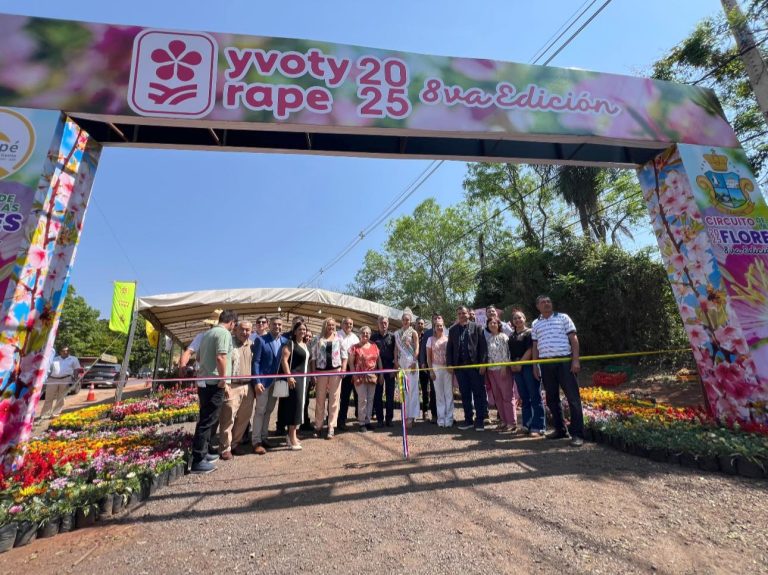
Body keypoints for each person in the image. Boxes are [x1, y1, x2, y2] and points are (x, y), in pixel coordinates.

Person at [531, 295, 584, 447]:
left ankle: (577, 434)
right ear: (538, 306)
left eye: (548, 301)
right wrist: (535, 365)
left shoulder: (563, 317)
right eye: (543, 302)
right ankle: (560, 430)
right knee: (552, 399)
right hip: (546, 364)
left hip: (564, 362)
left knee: (573, 399)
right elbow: (535, 346)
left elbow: (574, 339)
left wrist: (575, 360)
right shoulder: (535, 323)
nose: (547, 304)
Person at [191, 309, 237, 473]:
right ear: (232, 323)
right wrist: (223, 379)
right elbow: (221, 357)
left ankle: (203, 453)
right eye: (234, 325)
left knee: (206, 418)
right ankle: (198, 460)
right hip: (214, 383)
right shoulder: (224, 333)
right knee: (208, 421)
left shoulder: (207, 334)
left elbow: (198, 358)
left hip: (204, 381)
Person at [446, 305, 488, 431]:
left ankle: (479, 421)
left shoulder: (477, 327)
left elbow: (483, 347)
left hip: (475, 367)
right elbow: (449, 349)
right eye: (459, 313)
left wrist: (483, 364)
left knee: (478, 394)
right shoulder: (452, 330)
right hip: (460, 368)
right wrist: (449, 364)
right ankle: (468, 420)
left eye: (463, 313)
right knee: (465, 395)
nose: (461, 315)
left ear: (468, 314)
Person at [251, 317, 287, 455]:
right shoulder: (261, 340)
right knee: (260, 411)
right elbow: (256, 362)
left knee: (269, 410)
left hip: (277, 382)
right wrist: (257, 381)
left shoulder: (284, 341)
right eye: (274, 324)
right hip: (263, 382)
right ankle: (256, 441)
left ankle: (264, 437)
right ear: (269, 325)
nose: (277, 326)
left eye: (279, 324)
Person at [219, 320, 253, 460]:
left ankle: (235, 444)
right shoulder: (229, 344)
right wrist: (225, 383)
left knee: (244, 418)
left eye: (247, 330)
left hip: (248, 386)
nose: (244, 332)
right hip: (232, 385)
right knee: (228, 418)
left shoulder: (252, 345)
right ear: (236, 330)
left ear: (251, 331)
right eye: (242, 329)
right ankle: (225, 448)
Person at [509, 309, 545, 436]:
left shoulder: (530, 332)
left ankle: (538, 426)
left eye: (520, 317)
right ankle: (526, 425)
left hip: (529, 367)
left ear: (525, 319)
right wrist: (513, 364)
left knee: (535, 396)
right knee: (524, 397)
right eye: (515, 318)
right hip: (516, 368)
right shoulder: (511, 336)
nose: (517, 320)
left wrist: (520, 363)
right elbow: (509, 352)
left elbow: (531, 349)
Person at [311, 317, 348, 439]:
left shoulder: (339, 338)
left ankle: (331, 426)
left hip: (335, 371)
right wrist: (313, 373)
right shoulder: (317, 339)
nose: (331, 327)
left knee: (334, 399)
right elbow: (313, 357)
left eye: (333, 325)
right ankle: (318, 426)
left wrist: (343, 369)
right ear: (325, 325)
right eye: (329, 325)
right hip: (321, 371)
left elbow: (344, 355)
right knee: (320, 399)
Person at [276, 320, 310, 450]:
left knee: (300, 406)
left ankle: (292, 435)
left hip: (304, 379)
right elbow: (284, 360)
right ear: (295, 331)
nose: (302, 331)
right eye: (300, 329)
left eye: (304, 329)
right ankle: (291, 437)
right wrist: (289, 376)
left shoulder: (305, 344)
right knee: (294, 407)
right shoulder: (290, 344)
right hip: (294, 379)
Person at [481, 318, 517, 432]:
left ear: (499, 325)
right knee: (498, 397)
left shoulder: (503, 337)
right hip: (491, 371)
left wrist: (504, 367)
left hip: (502, 369)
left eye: (494, 323)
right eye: (490, 323)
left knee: (507, 396)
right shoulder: (489, 339)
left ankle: (511, 422)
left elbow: (507, 353)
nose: (492, 324)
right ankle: (503, 421)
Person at [349, 326, 382, 432]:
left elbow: (378, 360)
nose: (365, 334)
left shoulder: (374, 346)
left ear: (370, 334)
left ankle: (368, 421)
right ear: (360, 334)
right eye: (363, 332)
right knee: (363, 399)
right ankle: (362, 422)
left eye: (367, 333)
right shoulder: (354, 347)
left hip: (372, 376)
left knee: (370, 399)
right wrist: (354, 375)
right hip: (359, 377)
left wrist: (381, 374)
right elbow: (351, 362)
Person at [41, 346, 82, 419]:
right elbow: (48, 369)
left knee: (61, 398)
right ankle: (45, 414)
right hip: (52, 379)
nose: (65, 352)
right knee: (49, 397)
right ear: (60, 352)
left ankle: (56, 413)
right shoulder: (54, 359)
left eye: (67, 351)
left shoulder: (73, 359)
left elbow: (76, 369)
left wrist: (75, 379)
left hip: (65, 379)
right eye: (63, 351)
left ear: (69, 352)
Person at [395, 311, 420, 429]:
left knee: (413, 390)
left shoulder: (413, 332)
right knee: (403, 389)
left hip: (411, 362)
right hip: (402, 363)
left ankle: (412, 416)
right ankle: (405, 415)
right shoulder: (397, 333)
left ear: (410, 321)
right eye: (404, 319)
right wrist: (396, 362)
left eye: (408, 320)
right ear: (402, 321)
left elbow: (417, 347)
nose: (406, 321)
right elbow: (396, 349)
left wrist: (414, 361)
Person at [426, 318, 453, 427]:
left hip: (447, 369)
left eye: (441, 325)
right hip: (436, 368)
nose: (439, 327)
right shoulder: (430, 339)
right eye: (437, 326)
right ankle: (441, 419)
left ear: (443, 326)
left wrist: (450, 366)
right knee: (439, 395)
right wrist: (431, 371)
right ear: (434, 327)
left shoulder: (448, 339)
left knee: (448, 393)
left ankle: (449, 419)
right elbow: (428, 357)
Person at [371, 316, 396, 428]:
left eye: (385, 322)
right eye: (381, 322)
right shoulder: (373, 337)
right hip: (377, 369)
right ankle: (380, 419)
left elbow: (396, 353)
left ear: (388, 323)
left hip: (390, 368)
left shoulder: (393, 337)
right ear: (378, 323)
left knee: (390, 395)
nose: (383, 324)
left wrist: (394, 368)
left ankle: (389, 419)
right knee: (378, 395)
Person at [336, 317, 360, 432]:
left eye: (351, 324)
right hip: (340, 369)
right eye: (346, 323)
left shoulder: (355, 337)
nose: (348, 325)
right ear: (342, 324)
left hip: (353, 369)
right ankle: (339, 420)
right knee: (342, 396)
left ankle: (358, 417)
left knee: (356, 394)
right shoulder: (337, 335)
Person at [415, 317, 436, 422]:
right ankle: (413, 413)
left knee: (426, 390)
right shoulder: (411, 335)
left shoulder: (426, 335)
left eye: (422, 323)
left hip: (425, 366)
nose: (420, 325)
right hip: (413, 366)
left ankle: (425, 411)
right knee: (413, 390)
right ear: (415, 324)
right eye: (418, 323)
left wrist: (423, 363)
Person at [300, 328, 315, 431]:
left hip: (308, 378)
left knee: (306, 401)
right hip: (299, 377)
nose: (308, 338)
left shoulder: (310, 348)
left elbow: (312, 362)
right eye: (307, 336)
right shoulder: (298, 345)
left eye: (310, 336)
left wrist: (313, 376)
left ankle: (305, 422)